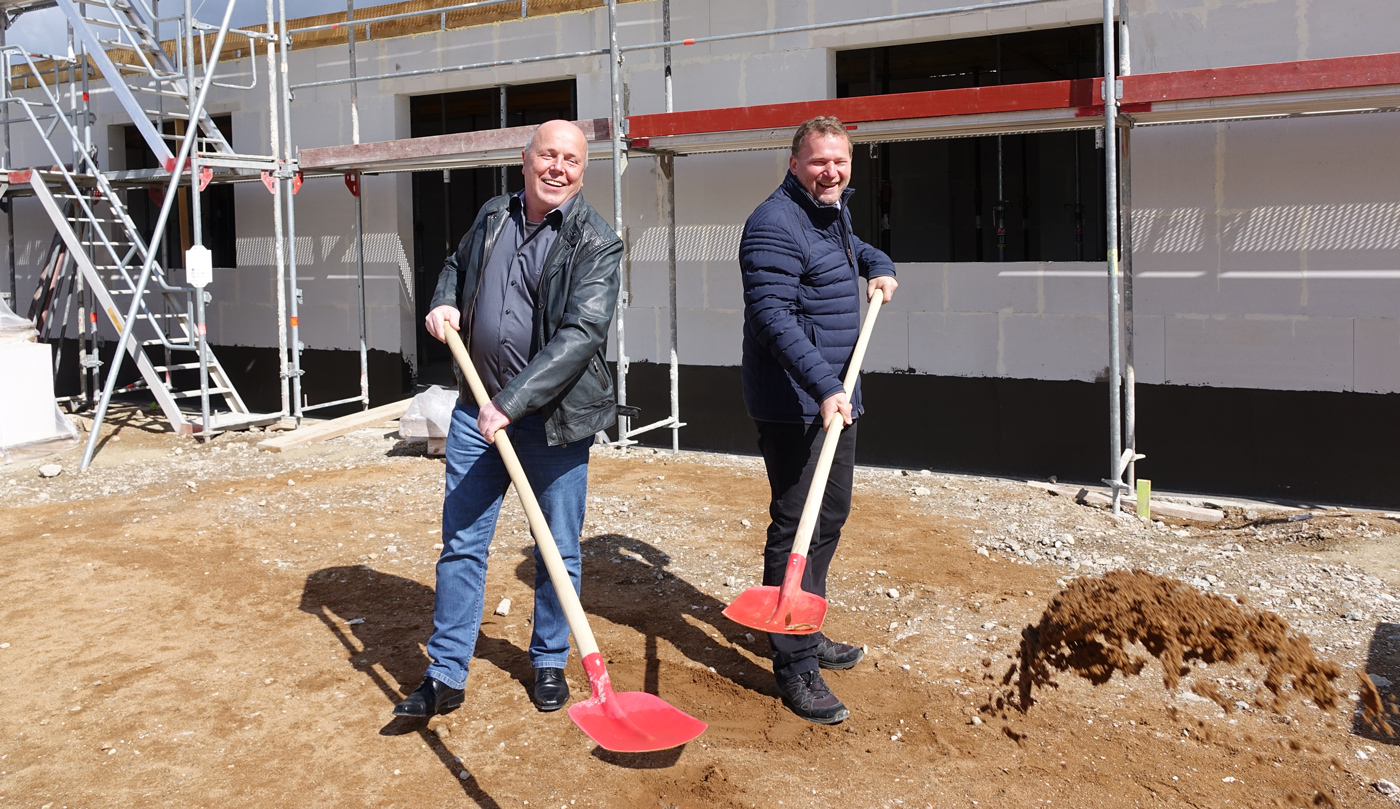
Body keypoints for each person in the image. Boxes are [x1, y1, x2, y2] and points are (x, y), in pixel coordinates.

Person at [395, 119, 623, 718]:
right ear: (525, 161)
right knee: (462, 544)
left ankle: (548, 662)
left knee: (556, 549)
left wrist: (511, 402)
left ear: (582, 171)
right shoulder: (494, 215)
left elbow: (581, 336)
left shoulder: (597, 241)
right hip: (477, 411)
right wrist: (444, 297)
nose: (558, 168)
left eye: (571, 160)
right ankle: (446, 673)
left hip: (551, 422)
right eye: (548, 156)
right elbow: (454, 263)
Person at [737, 116, 898, 724]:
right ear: (793, 164)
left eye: (840, 161)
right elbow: (774, 318)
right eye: (818, 162)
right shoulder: (773, 224)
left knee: (827, 515)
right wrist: (826, 386)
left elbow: (852, 251)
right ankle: (794, 658)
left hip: (834, 395)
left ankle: (803, 618)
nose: (830, 171)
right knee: (797, 522)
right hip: (796, 400)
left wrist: (876, 263)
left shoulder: (830, 211)